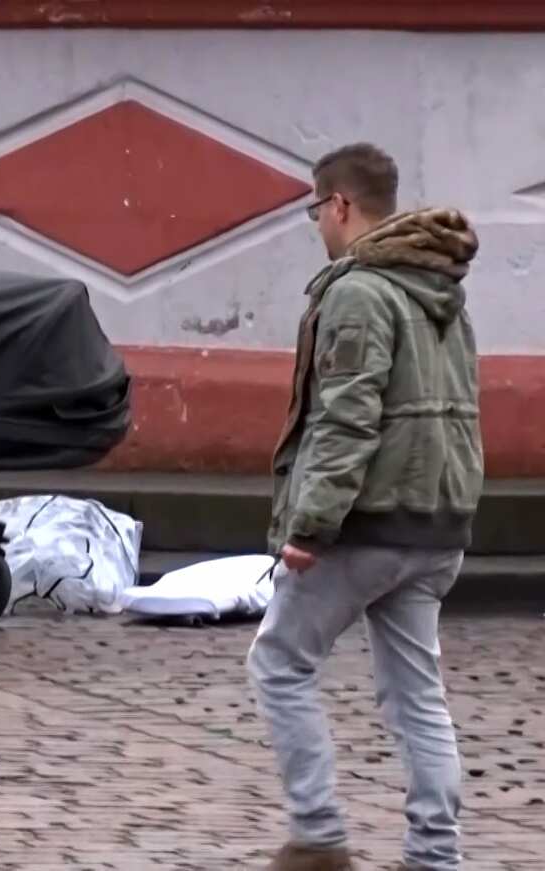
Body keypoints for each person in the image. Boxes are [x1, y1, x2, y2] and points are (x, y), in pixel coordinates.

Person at [248, 143, 484, 871]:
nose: (318, 224)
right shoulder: (441, 287)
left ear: (340, 204)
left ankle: (318, 838)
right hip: (436, 521)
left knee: (279, 661)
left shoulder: (359, 291)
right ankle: (434, 855)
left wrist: (310, 524)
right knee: (417, 692)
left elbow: (347, 418)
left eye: (316, 209)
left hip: (367, 522)